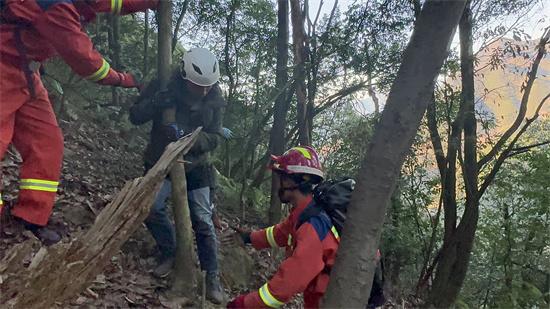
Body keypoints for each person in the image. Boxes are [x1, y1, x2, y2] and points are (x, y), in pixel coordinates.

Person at [0, 0, 158, 245]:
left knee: (48, 143)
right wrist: (126, 80)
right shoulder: (56, 8)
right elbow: (88, 64)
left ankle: (32, 216)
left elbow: (115, 3)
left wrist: (147, 3)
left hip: (26, 74)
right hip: (4, 67)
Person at [129, 47, 226, 304]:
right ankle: (169, 251)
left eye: (208, 86)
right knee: (150, 207)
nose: (204, 91)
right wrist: (156, 104)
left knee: (203, 221)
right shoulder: (163, 84)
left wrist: (190, 139)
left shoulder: (215, 99)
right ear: (184, 77)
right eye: (198, 86)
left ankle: (211, 275)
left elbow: (215, 136)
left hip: (197, 167)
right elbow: (135, 115)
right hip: (161, 161)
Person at [225, 146, 341, 309]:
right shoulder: (304, 213)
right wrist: (249, 237)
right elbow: (279, 233)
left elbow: (288, 284)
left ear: (291, 181)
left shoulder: (312, 224)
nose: (279, 183)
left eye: (281, 177)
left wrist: (244, 304)